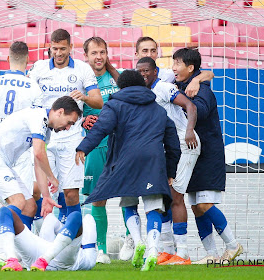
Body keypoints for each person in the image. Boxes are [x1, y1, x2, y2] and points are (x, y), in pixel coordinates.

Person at [75, 70, 181, 271]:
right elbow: (173, 142)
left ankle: (138, 241)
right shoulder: (158, 109)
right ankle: (152, 250)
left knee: (129, 204)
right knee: (153, 208)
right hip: (153, 162)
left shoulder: (114, 105)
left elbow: (101, 128)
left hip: (126, 162)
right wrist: (171, 171)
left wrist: (84, 147)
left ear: (120, 87)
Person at [0, 96, 82, 272]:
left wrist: (46, 196)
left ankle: (22, 258)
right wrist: (53, 179)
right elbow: (40, 154)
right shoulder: (39, 117)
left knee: (30, 206)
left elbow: (37, 160)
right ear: (60, 112)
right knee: (17, 202)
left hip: (3, 163)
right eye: (69, 122)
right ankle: (8, 256)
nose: (68, 127)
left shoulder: (46, 130)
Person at [173, 48, 243, 264]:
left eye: (177, 63)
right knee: (196, 207)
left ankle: (233, 245)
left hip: (207, 155)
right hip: (192, 154)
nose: (173, 68)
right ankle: (211, 253)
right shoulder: (184, 85)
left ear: (190, 68)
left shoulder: (201, 90)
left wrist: (180, 99)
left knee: (204, 205)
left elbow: (198, 111)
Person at [0, 41, 43, 266]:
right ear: (28, 62)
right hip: (19, 151)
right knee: (22, 202)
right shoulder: (34, 87)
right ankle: (12, 252)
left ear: (8, 59)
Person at [28, 29, 103, 225]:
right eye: (55, 49)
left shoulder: (82, 69)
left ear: (71, 47)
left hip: (72, 136)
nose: (59, 53)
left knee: (70, 193)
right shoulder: (39, 68)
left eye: (63, 49)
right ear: (49, 48)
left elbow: (99, 102)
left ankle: (71, 239)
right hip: (43, 136)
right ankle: (41, 238)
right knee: (37, 189)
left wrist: (85, 97)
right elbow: (27, 97)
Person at [136, 57, 200, 265]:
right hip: (167, 148)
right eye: (140, 71)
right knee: (164, 196)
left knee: (175, 196)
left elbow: (190, 106)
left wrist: (189, 131)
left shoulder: (163, 87)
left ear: (155, 71)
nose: (143, 74)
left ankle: (183, 252)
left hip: (185, 142)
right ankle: (167, 250)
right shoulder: (142, 93)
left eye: (147, 70)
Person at [81, 36, 122, 264]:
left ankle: (131, 240)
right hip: (96, 146)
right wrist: (81, 122)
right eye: (94, 53)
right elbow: (72, 109)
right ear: (86, 56)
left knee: (130, 195)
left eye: (102, 52)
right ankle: (101, 249)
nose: (98, 57)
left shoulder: (117, 77)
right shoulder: (81, 79)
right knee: (98, 199)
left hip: (120, 144)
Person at [17, 213, 97, 271]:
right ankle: (44, 259)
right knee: (87, 218)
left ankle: (12, 258)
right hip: (72, 259)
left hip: (65, 258)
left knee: (51, 217)